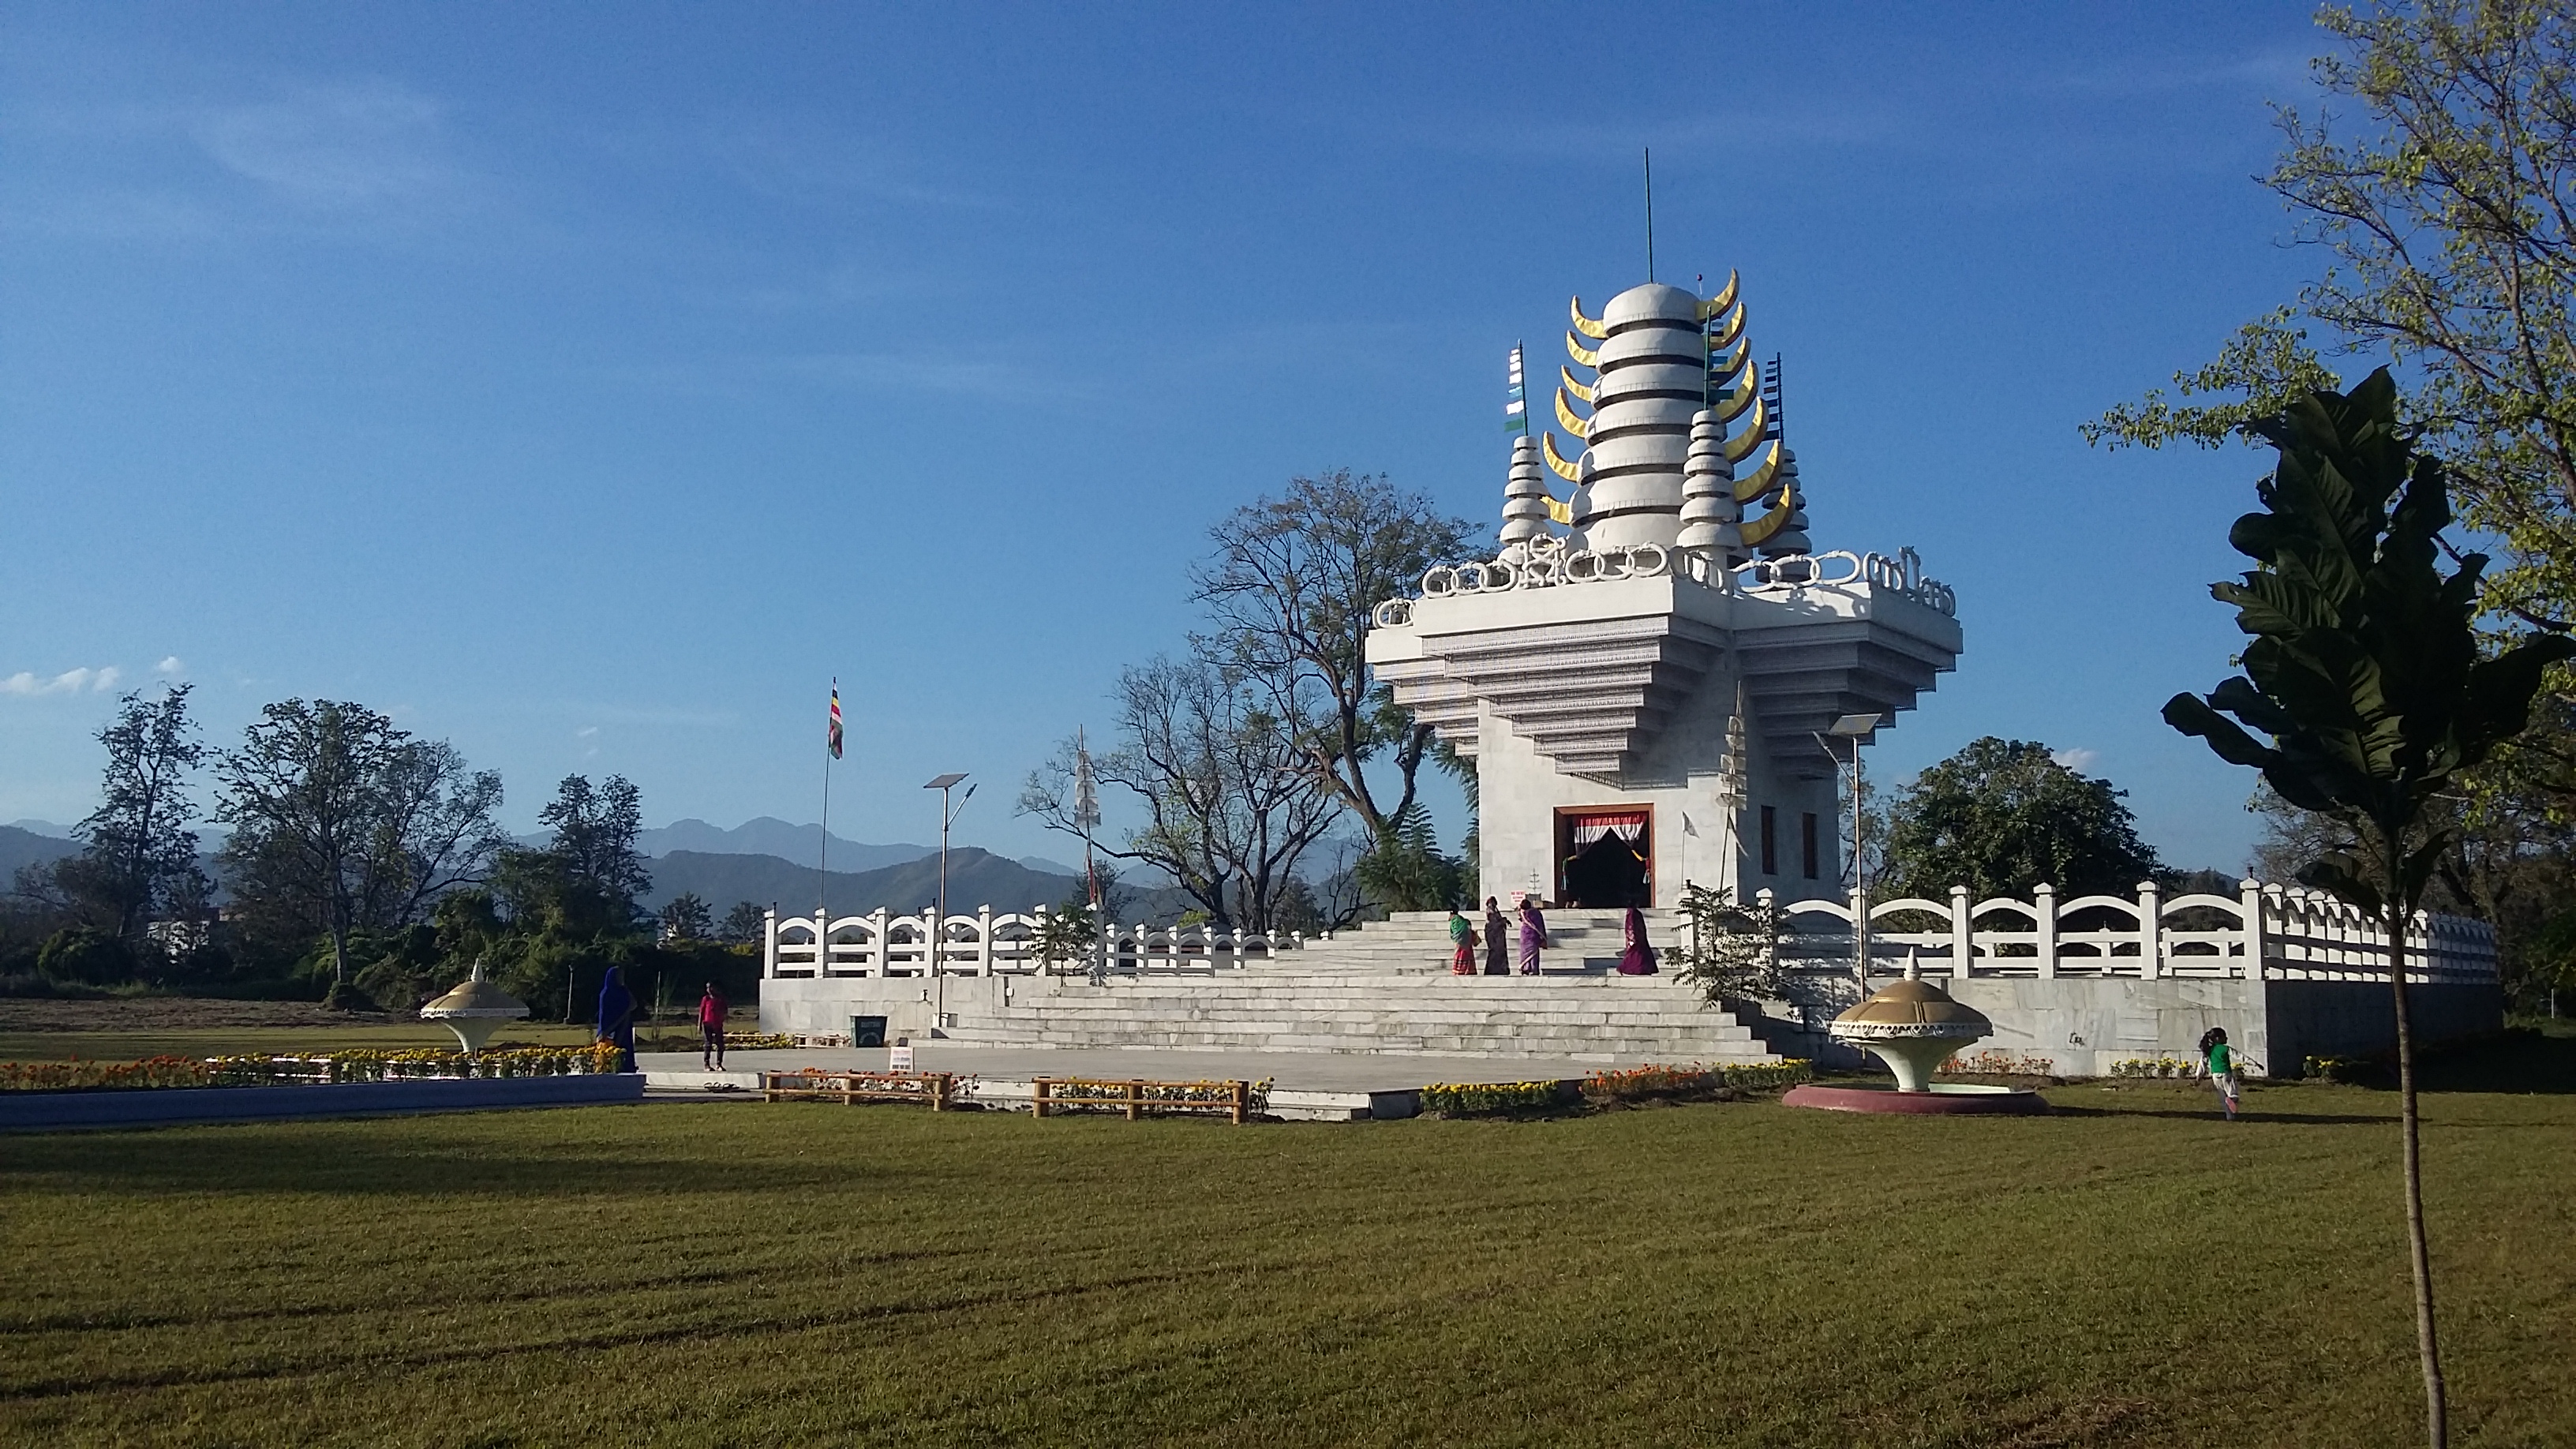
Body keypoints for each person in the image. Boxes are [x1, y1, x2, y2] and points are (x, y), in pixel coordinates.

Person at [596, 964, 638, 1073]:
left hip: (624, 1027)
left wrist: (626, 989)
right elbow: (605, 1014)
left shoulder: (623, 992)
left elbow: (633, 1004)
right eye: (619, 976)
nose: (621, 978)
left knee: (625, 1052)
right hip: (611, 1029)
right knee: (611, 1053)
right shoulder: (606, 994)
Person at [2200, 1026, 2241, 1121]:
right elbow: (2240, 1056)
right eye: (2225, 1036)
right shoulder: (2225, 1048)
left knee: (2223, 1098)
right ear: (2218, 1038)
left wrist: (2199, 1075)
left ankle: (2229, 1116)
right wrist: (2254, 1063)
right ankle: (2232, 1099)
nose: (2227, 1038)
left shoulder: (2209, 1050)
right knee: (2233, 1094)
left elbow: (2202, 1063)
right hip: (2226, 1073)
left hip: (2215, 1076)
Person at [1616, 905, 1658, 975]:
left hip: (1639, 937)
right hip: (1635, 937)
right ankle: (1624, 968)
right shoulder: (1632, 913)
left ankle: (1644, 969)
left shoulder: (1635, 913)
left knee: (1640, 953)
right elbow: (1631, 926)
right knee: (1634, 953)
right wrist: (1632, 939)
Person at [698, 981, 728, 1070]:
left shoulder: (720, 999)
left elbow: (725, 1010)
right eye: (707, 988)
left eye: (711, 987)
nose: (709, 990)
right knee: (708, 1044)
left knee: (720, 1044)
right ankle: (707, 1064)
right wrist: (699, 1025)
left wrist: (722, 1018)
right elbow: (701, 1012)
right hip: (707, 1024)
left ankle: (719, 1064)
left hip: (717, 1024)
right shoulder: (706, 999)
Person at [1517, 897, 1548, 975]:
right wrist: (1543, 937)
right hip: (1533, 935)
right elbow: (1540, 925)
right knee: (1534, 953)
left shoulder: (1522, 912)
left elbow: (1520, 918)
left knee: (1525, 953)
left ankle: (1525, 968)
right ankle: (1533, 969)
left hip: (1525, 935)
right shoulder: (1535, 912)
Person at [1482, 897, 1511, 975]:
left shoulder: (1495, 911)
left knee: (1500, 952)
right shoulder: (1490, 912)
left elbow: (1499, 920)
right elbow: (1494, 923)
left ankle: (1501, 969)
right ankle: (1492, 970)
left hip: (1498, 935)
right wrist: (1503, 921)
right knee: (1494, 952)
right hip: (1493, 935)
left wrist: (1505, 921)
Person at [1448, 908, 1478, 975]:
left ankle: (1459, 970)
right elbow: (1468, 924)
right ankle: (1468, 970)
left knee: (1460, 955)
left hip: (1459, 943)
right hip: (1467, 942)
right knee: (1467, 955)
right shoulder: (1463, 920)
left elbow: (1453, 933)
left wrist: (1457, 938)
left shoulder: (1454, 921)